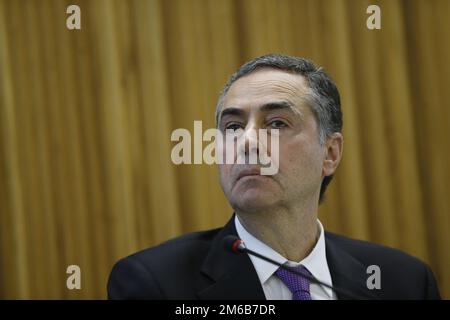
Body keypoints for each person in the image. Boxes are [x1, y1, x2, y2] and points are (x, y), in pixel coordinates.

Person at [107, 54, 441, 300]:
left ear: (330, 154)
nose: (247, 142)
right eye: (233, 127)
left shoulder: (404, 282)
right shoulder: (155, 284)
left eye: (277, 123)